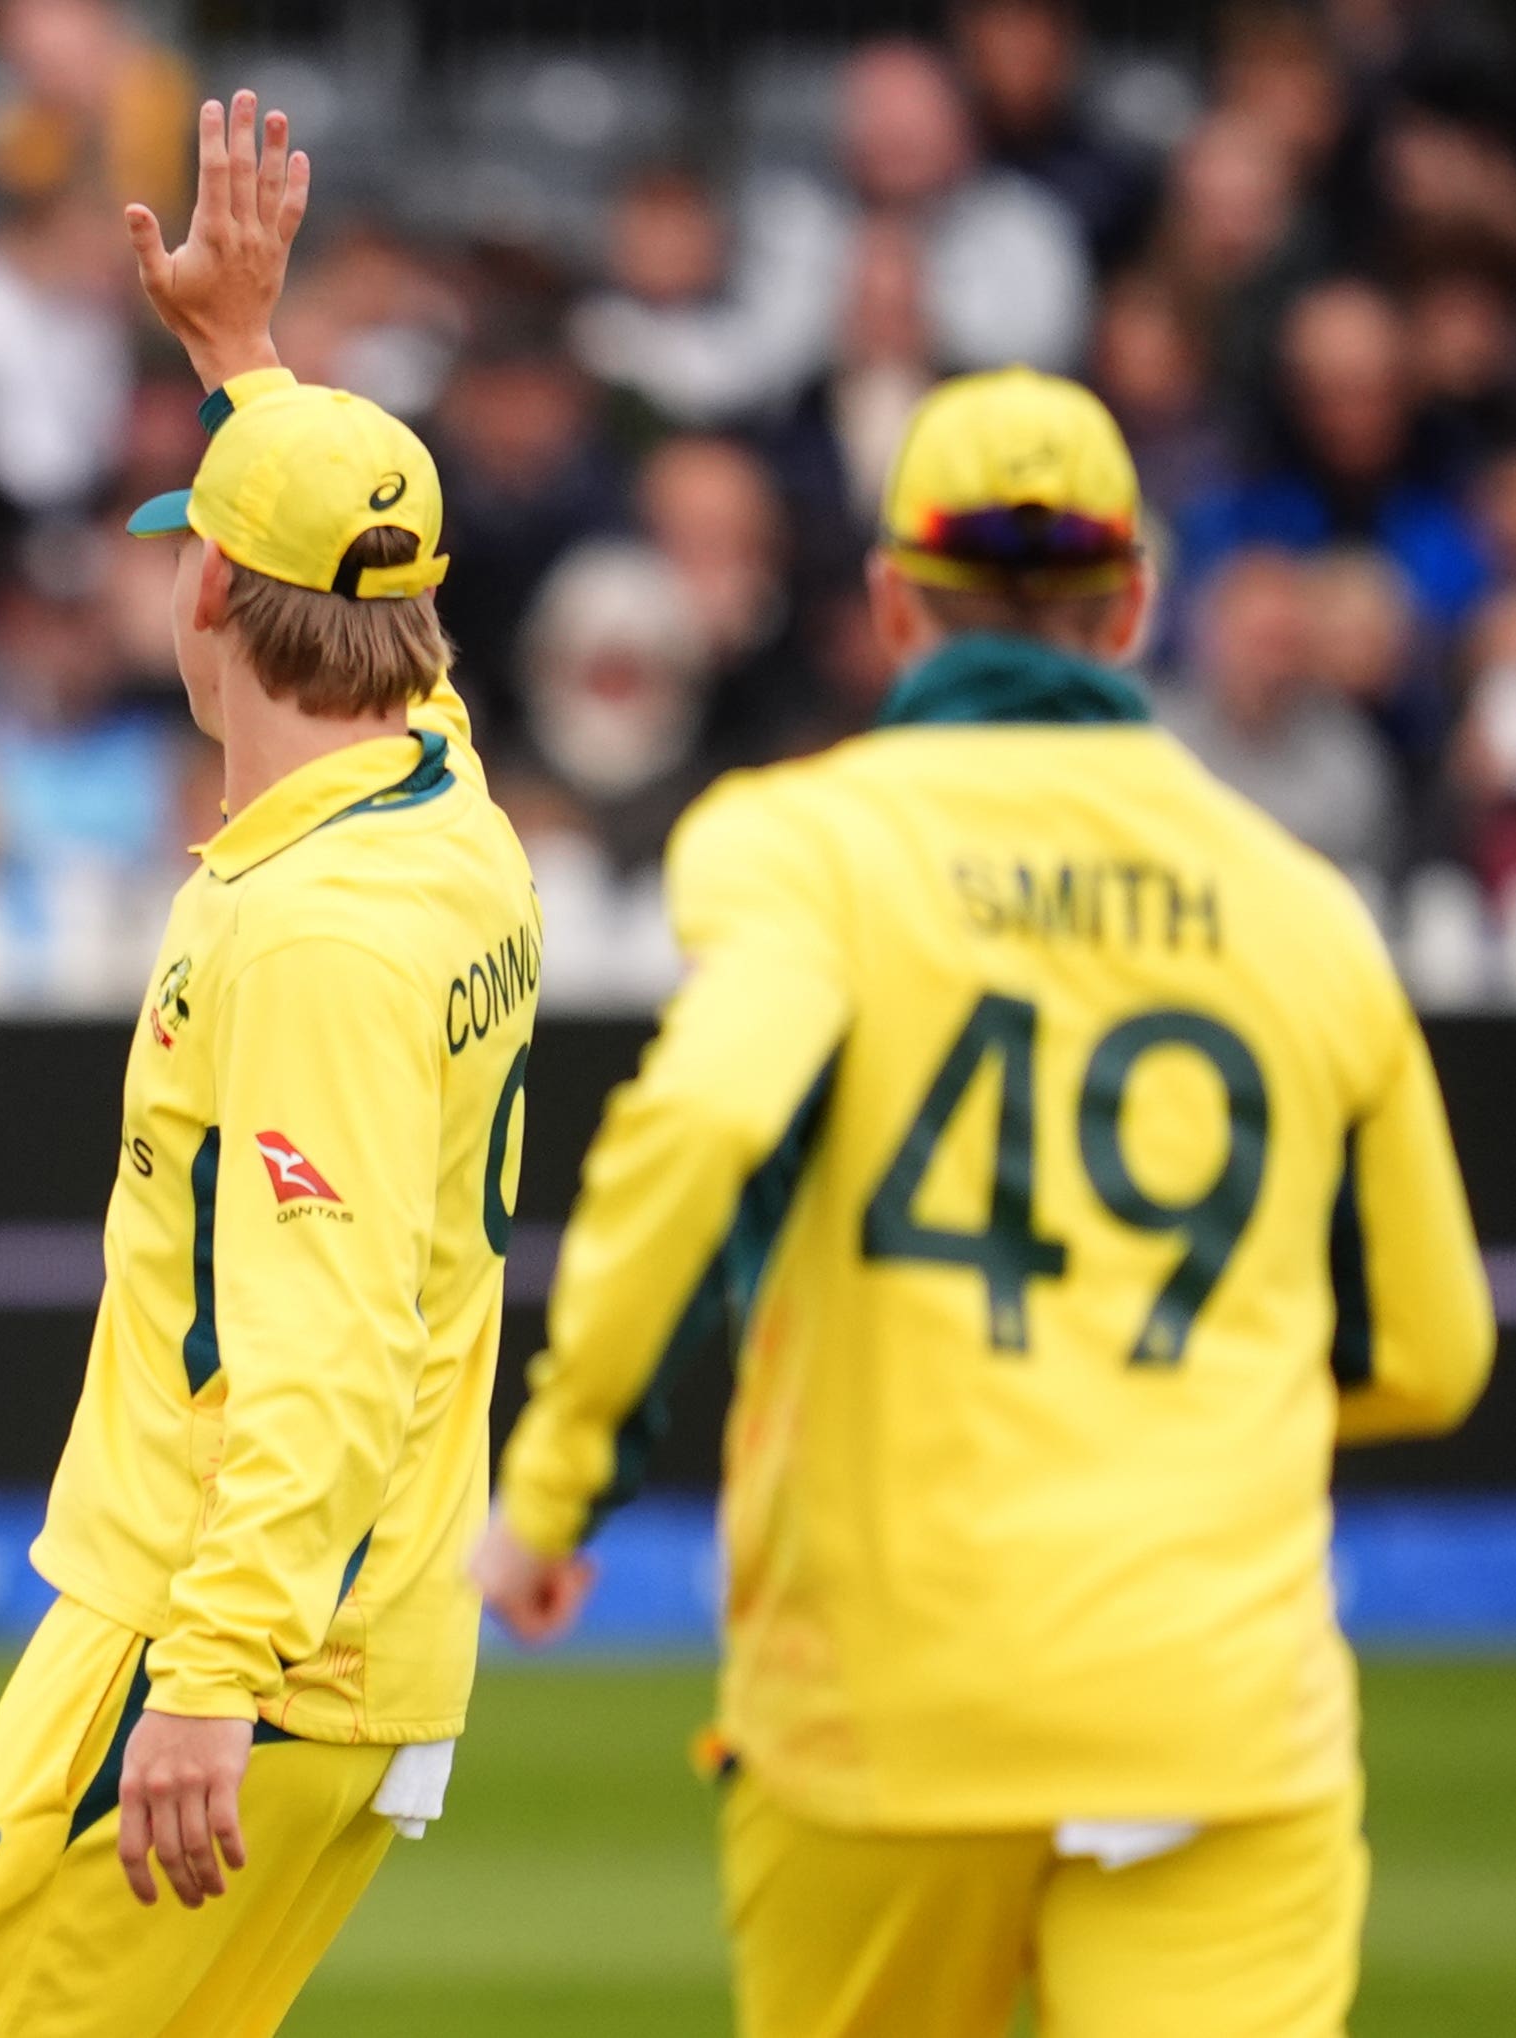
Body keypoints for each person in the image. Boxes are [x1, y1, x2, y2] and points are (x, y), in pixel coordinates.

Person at [476, 366, 1494, 2038]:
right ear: (1135, 604)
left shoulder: (800, 843)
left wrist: (557, 1487)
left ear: (890, 602)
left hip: (886, 1698)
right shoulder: (1305, 911)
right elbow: (1433, 1355)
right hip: (1216, 1702)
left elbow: (709, 1115)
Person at [0, 94, 542, 2038]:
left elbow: (321, 1334)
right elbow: (360, 583)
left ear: (198, 591)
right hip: (356, 1641)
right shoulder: (447, 802)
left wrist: (209, 1670)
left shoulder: (322, 927)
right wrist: (239, 359)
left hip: (225, 1634)